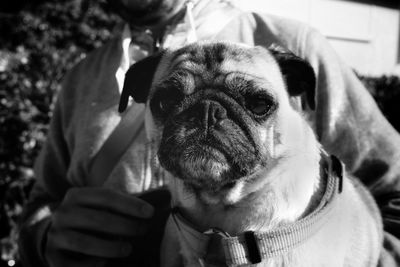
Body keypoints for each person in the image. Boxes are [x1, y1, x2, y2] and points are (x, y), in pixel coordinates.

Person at [18, 0, 400, 266]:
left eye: (257, 104)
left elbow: (394, 186)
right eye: (168, 103)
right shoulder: (80, 78)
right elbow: (43, 200)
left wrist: (368, 255)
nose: (207, 119)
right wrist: (45, 238)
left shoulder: (294, 45)